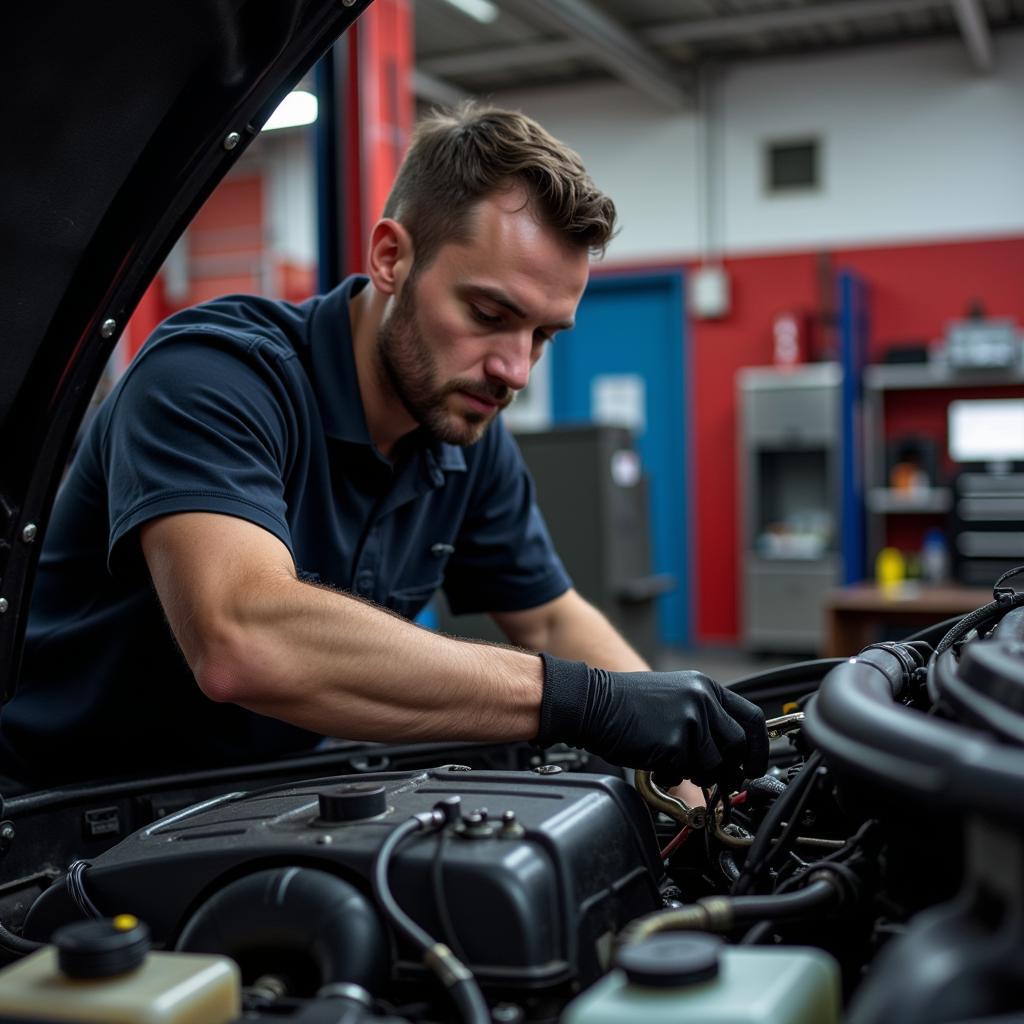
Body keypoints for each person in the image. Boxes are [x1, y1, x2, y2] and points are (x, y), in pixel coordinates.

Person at [0, 103, 767, 791]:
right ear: (392, 258)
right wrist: (584, 704)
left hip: (249, 802)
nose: (514, 369)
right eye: (489, 312)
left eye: (542, 336)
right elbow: (243, 638)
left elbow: (552, 620)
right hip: (63, 824)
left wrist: (688, 763)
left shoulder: (463, 429)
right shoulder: (215, 375)